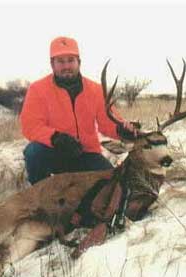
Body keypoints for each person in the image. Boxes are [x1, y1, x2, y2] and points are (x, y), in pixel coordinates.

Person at [20, 36, 137, 185]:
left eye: (70, 60)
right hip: (55, 152)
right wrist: (56, 138)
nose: (66, 66)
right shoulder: (38, 89)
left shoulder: (95, 90)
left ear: (79, 62)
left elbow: (107, 122)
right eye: (60, 61)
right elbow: (30, 125)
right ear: (52, 64)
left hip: (86, 154)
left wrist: (122, 130)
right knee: (33, 152)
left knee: (112, 185)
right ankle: (41, 195)